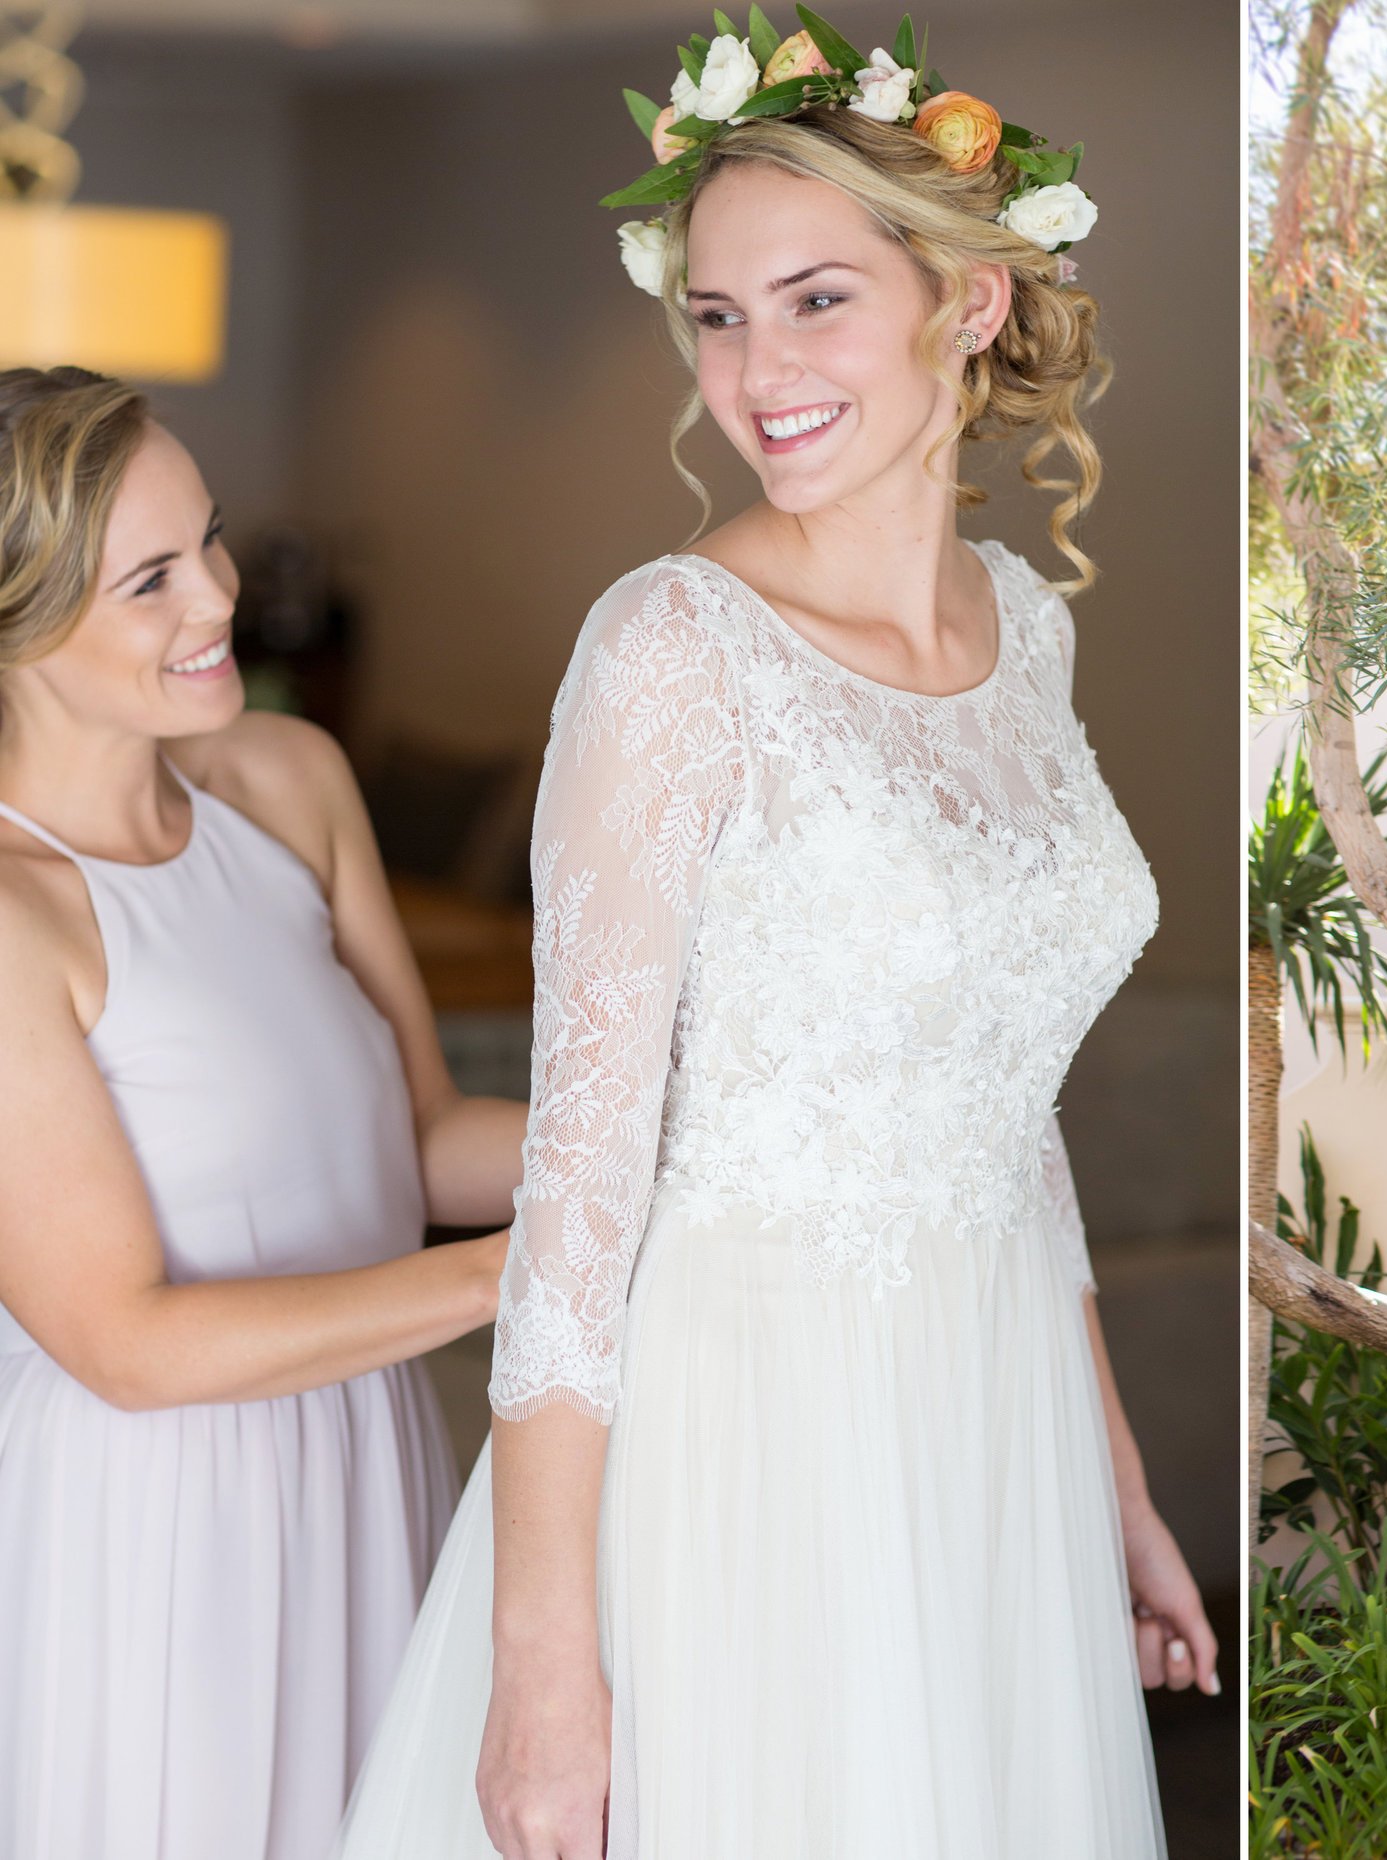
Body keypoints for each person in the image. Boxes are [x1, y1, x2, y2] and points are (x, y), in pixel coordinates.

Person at [336, 17, 1214, 1858]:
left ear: (967, 303)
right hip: (741, 1435)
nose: (756, 372)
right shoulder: (672, 649)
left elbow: (1004, 1103)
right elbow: (580, 1189)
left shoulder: (1026, 633)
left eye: (814, 301)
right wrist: (545, 1663)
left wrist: (1116, 1477)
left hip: (991, 1429)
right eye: (719, 316)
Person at [0, 365, 525, 1860]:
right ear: (18, 620)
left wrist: (674, 1149)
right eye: (152, 580)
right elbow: (128, 1344)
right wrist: (509, 1277)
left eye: (210, 540)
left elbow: (418, 1141)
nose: (222, 597)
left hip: (369, 1444)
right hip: (159, 1516)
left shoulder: (289, 782)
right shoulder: (13, 917)